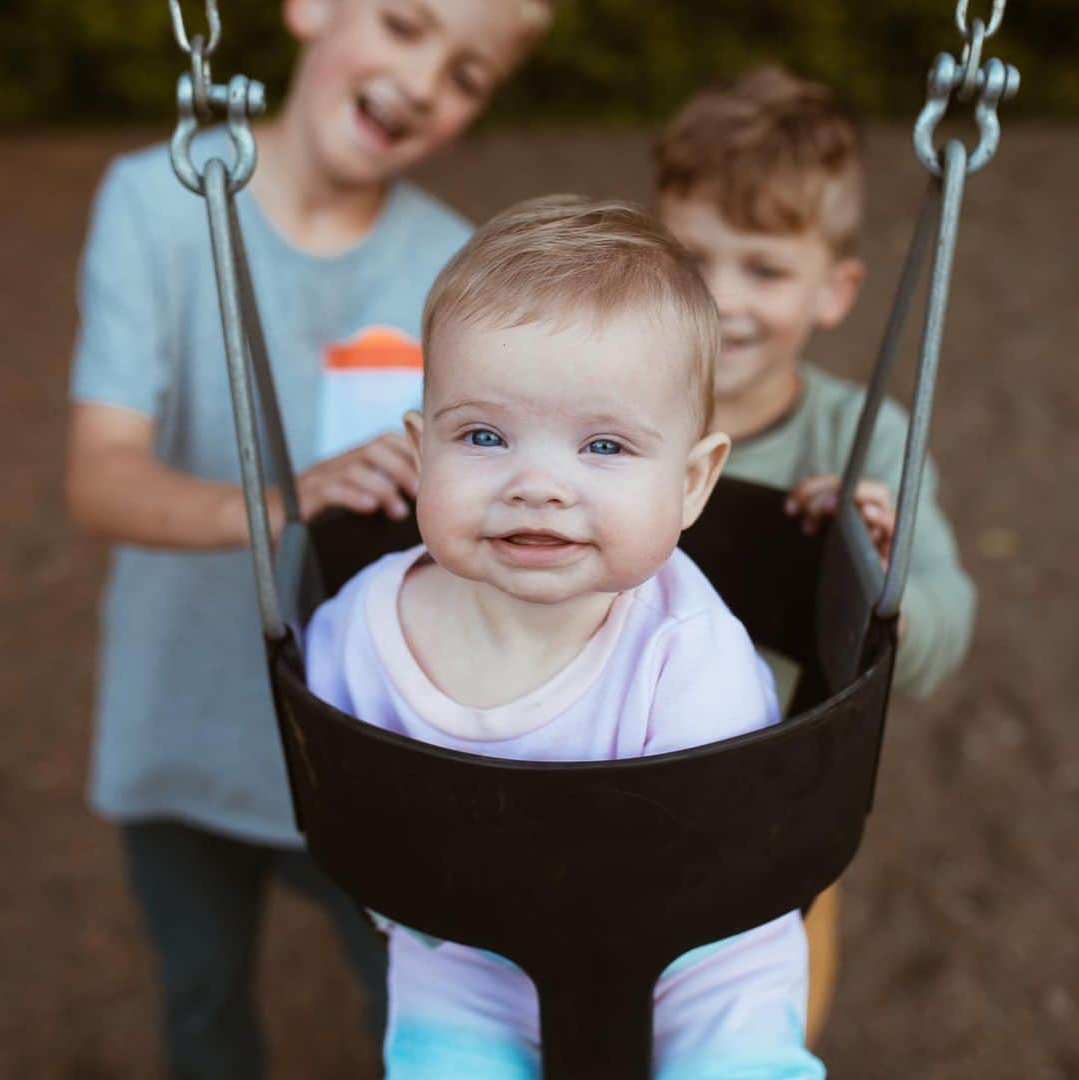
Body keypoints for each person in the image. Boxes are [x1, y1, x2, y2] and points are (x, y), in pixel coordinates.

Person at [64, 2, 555, 1076]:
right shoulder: (159, 204)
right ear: (309, 9)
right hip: (179, 726)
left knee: (418, 1010)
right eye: (404, 24)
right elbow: (100, 477)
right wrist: (293, 497)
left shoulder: (452, 266)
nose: (426, 81)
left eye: (468, 73)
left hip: (362, 743)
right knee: (202, 1006)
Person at [306, 195, 826, 1079]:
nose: (537, 483)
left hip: (696, 957)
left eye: (605, 447)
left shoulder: (689, 652)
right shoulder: (360, 627)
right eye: (482, 435)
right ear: (420, 451)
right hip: (465, 959)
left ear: (692, 483)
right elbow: (344, 791)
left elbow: (725, 854)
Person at [653, 64, 977, 1044]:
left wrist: (878, 579)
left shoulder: (863, 436)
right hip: (591, 777)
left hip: (770, 817)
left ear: (835, 290)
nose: (723, 299)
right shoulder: (605, 408)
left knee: (745, 1042)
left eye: (764, 268)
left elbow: (945, 626)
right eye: (691, 256)